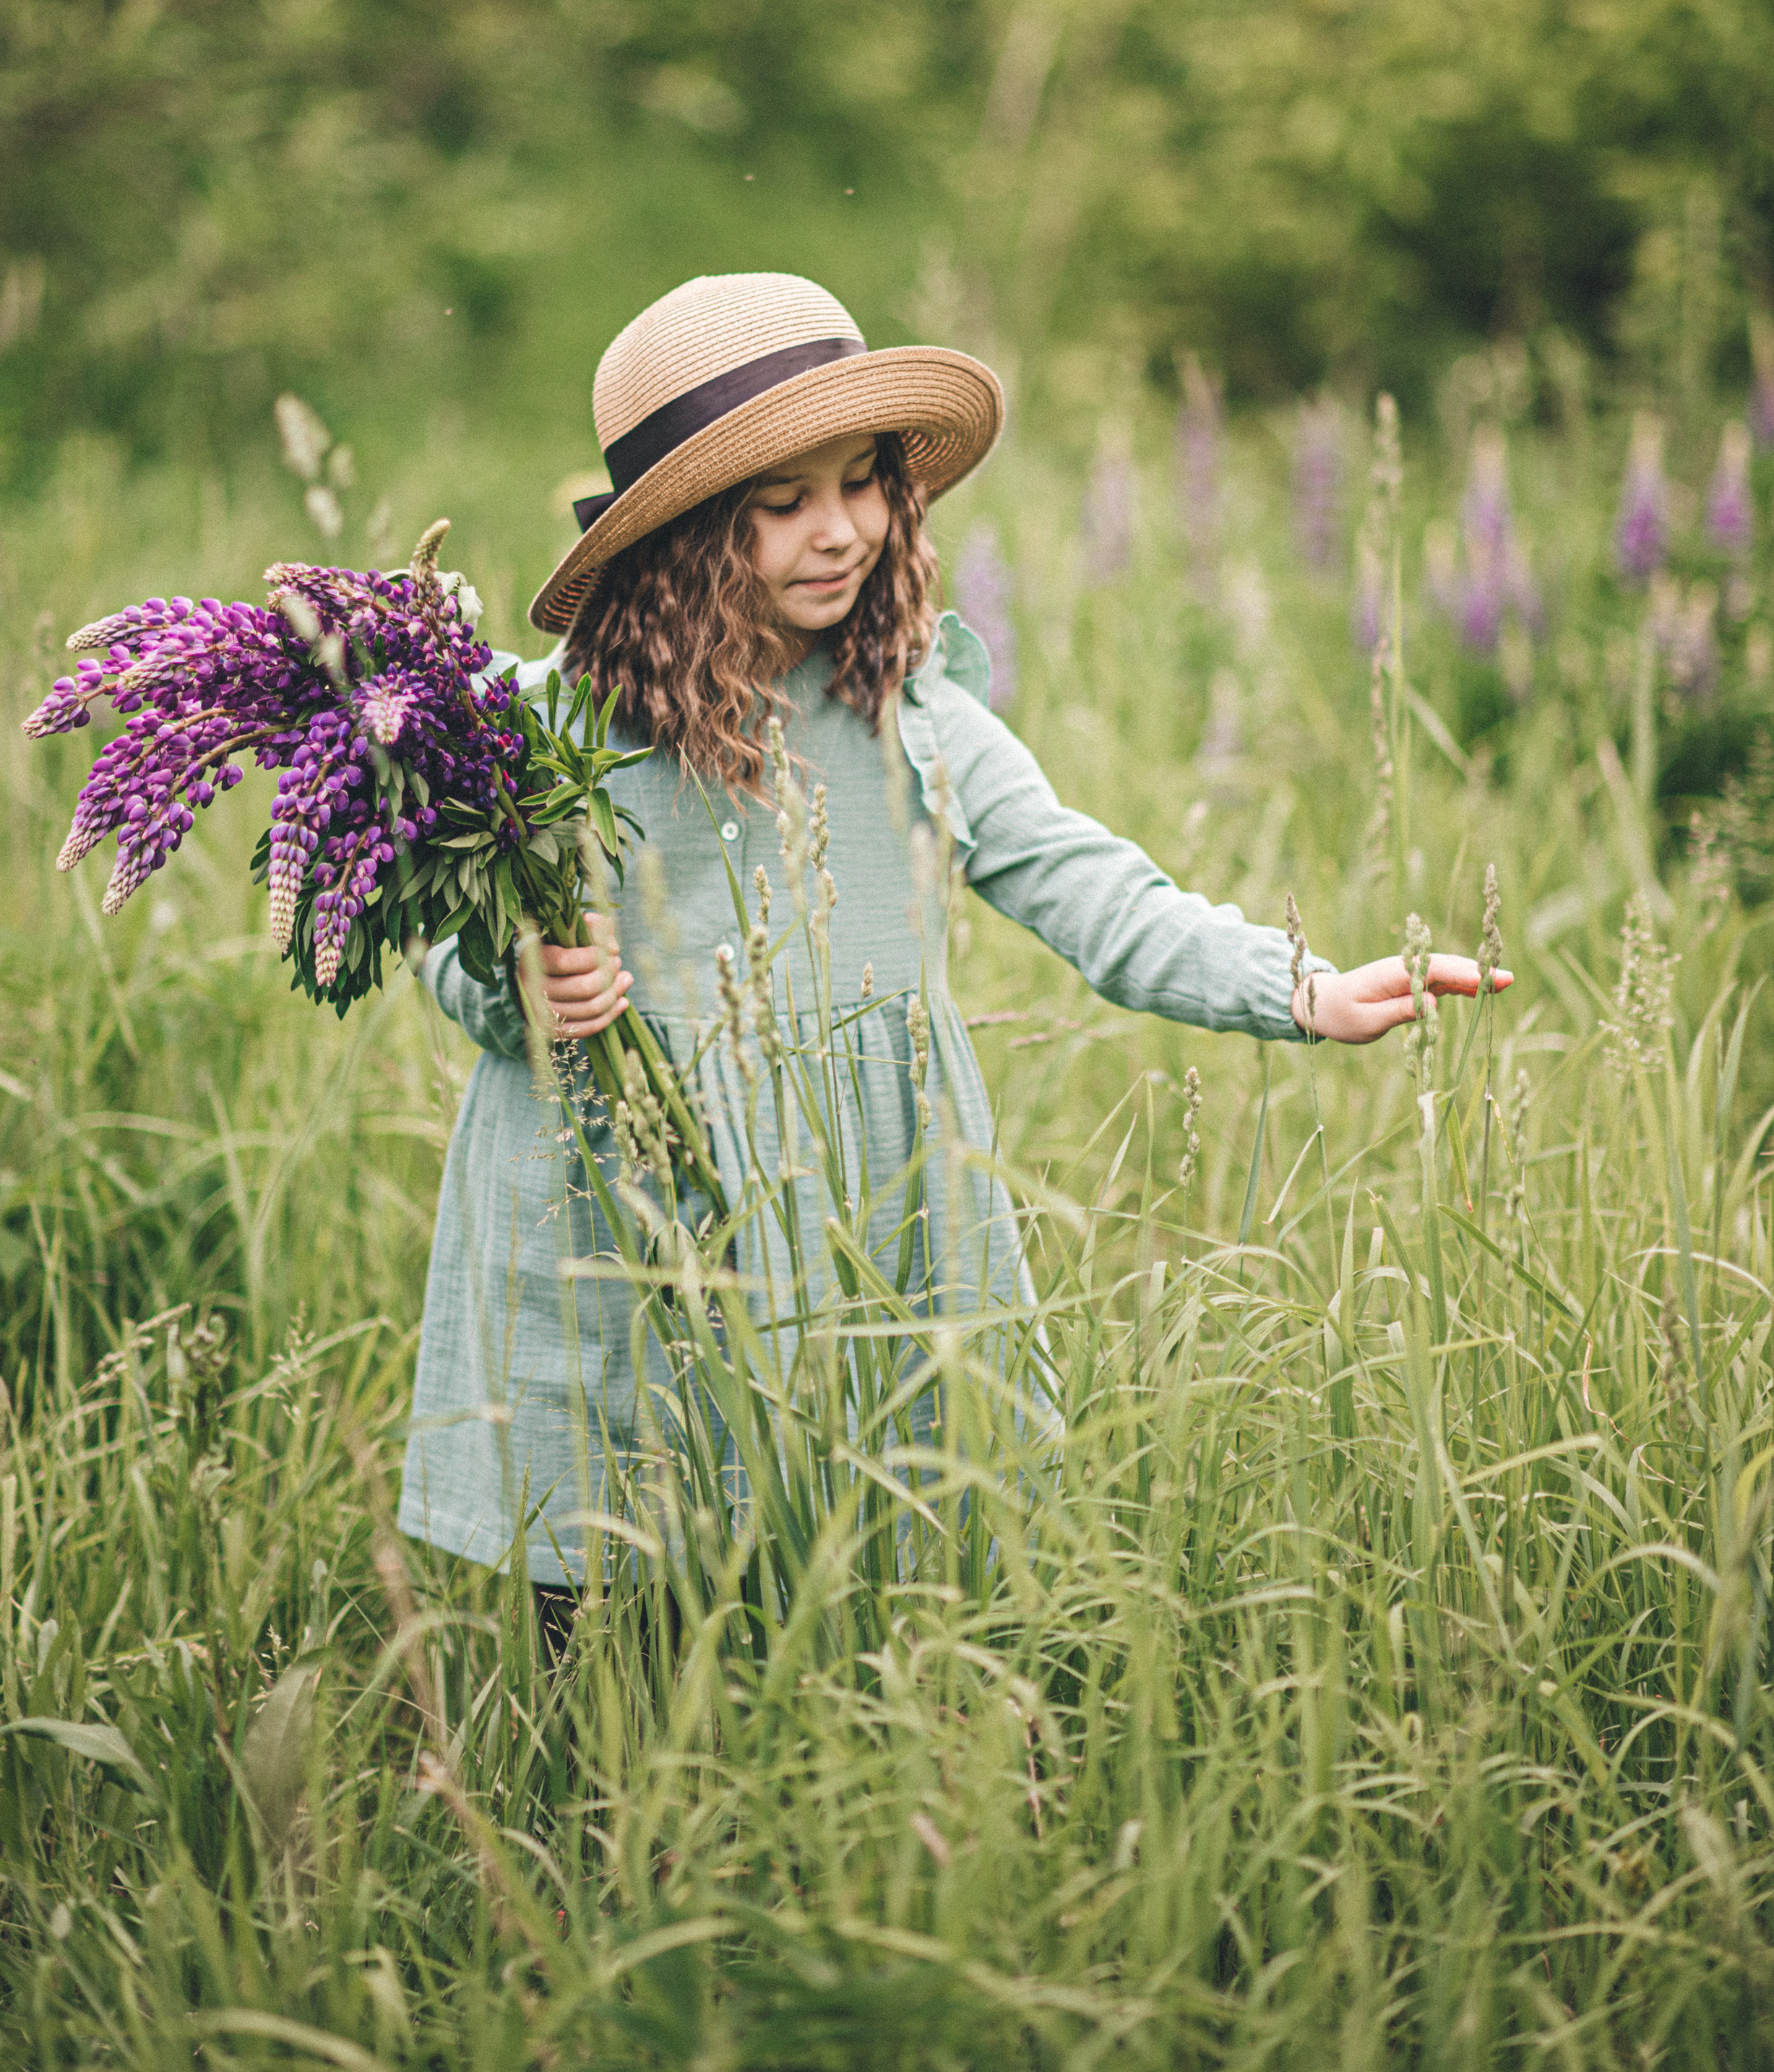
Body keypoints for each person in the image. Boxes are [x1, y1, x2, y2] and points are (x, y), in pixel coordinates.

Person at [397, 272, 1508, 1640]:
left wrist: (1296, 984)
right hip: (621, 1212)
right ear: (683, 536)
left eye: (862, 484)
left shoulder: (907, 706)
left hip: (863, 1199)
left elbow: (1090, 882)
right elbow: (450, 941)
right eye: (783, 501)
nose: (842, 530)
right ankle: (621, 1816)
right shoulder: (555, 729)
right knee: (627, 1561)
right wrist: (516, 980)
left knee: (862, 1554)